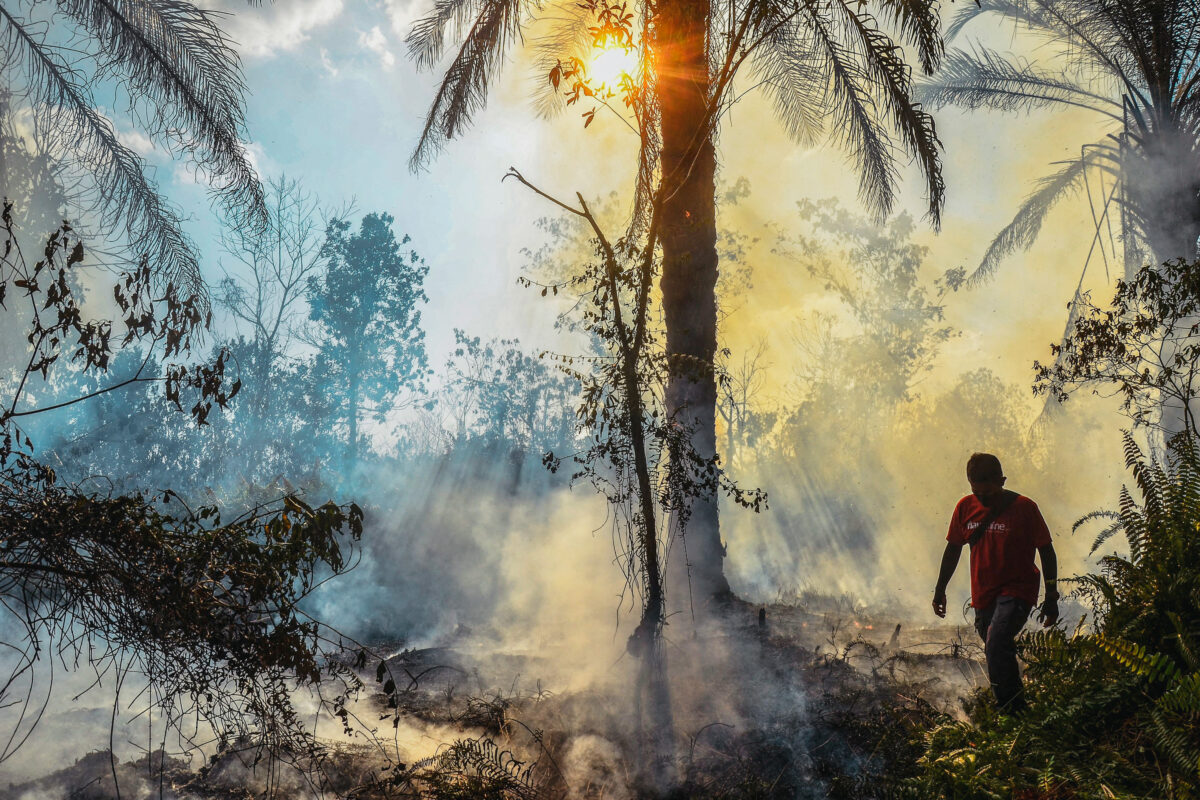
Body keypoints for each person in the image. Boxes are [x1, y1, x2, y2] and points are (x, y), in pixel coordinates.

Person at [932, 453, 1059, 712]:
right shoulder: (965, 507)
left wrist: (1051, 596)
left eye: (988, 493)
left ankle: (1010, 711)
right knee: (996, 646)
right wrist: (940, 589)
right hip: (984, 594)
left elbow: (1046, 550)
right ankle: (1019, 707)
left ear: (1002, 481)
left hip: (1018, 589)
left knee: (997, 642)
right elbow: (953, 549)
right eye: (976, 493)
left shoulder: (1025, 508)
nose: (982, 499)